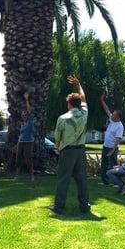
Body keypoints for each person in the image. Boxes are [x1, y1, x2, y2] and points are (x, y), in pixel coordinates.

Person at [50, 75, 90, 214]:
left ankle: (58, 207)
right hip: (81, 151)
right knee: (82, 180)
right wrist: (78, 84)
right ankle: (85, 206)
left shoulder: (62, 118)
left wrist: (56, 148)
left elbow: (57, 138)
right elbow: (84, 97)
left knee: (63, 180)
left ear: (69, 104)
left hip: (67, 151)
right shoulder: (85, 113)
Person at [100, 95, 124, 185]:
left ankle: (116, 183)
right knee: (104, 164)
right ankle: (105, 181)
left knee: (113, 166)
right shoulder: (112, 120)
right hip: (105, 146)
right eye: (112, 114)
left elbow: (117, 140)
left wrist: (112, 150)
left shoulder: (120, 126)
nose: (111, 115)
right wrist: (102, 100)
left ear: (118, 117)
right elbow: (106, 110)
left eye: (114, 115)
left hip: (112, 149)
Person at [15, 92, 35, 181]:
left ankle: (32, 176)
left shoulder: (30, 121)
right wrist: (17, 143)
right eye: (22, 115)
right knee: (18, 158)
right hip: (21, 142)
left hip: (29, 142)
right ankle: (17, 175)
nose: (24, 115)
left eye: (25, 114)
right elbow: (21, 134)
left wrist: (26, 99)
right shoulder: (22, 123)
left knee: (28, 159)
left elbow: (29, 110)